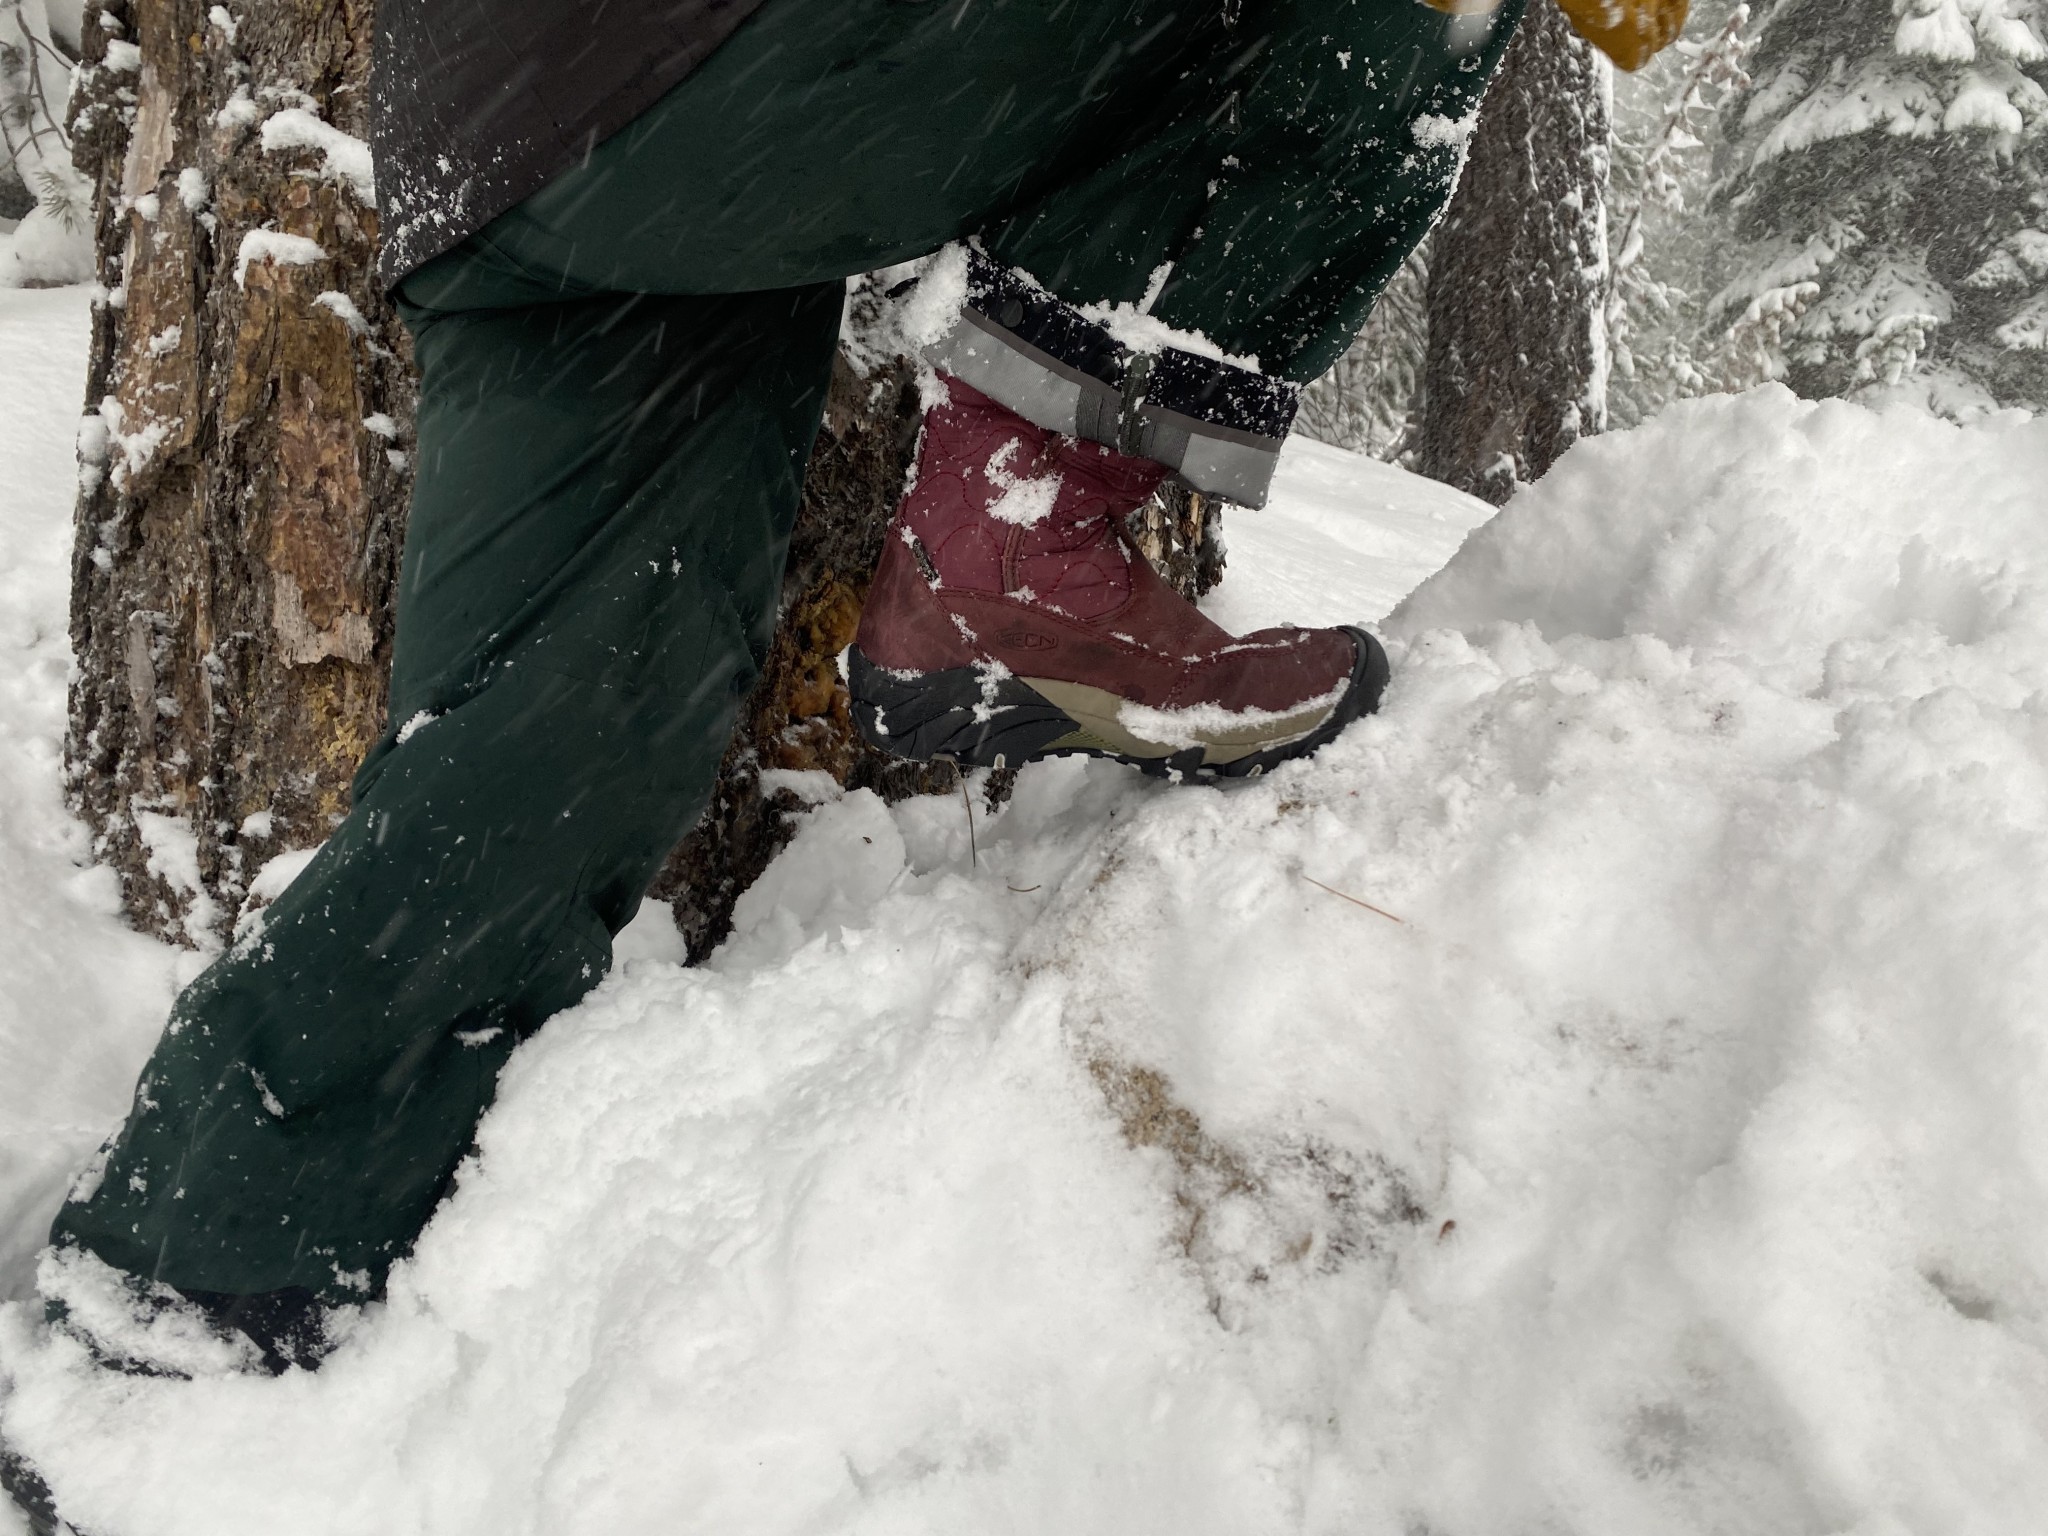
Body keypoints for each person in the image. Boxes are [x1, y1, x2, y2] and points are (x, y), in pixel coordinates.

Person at [30, 0, 1681, 1381]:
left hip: (517, 133)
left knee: (559, 748)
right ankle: (1022, 532)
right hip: (698, 69)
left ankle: (183, 1277)